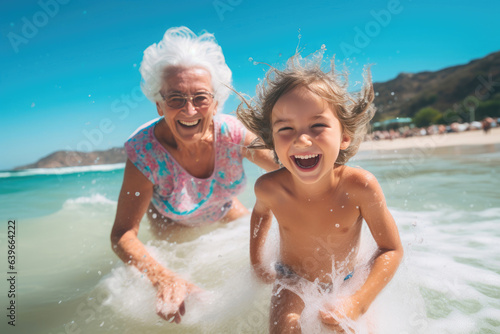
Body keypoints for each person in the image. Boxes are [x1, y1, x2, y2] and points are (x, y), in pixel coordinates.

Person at [110, 27, 277, 324]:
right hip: (177, 235)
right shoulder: (143, 153)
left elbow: (290, 168)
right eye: (175, 98)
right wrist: (163, 277)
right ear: (158, 103)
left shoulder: (234, 134)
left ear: (216, 102)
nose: (189, 110)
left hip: (229, 218)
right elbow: (122, 234)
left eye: (200, 97)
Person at [237, 56, 404, 333]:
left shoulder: (360, 187)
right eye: (286, 129)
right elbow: (260, 214)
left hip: (348, 280)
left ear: (344, 136)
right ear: (272, 141)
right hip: (291, 279)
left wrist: (358, 302)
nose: (302, 140)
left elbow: (391, 249)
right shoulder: (269, 187)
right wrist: (257, 264)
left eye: (318, 126)